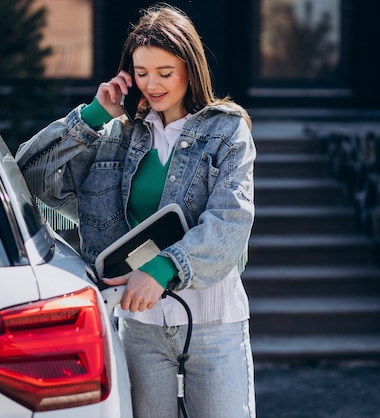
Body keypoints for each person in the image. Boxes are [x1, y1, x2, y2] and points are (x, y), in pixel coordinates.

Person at [15, 4, 256, 417]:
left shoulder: (226, 130)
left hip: (215, 325)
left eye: (165, 72)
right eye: (142, 72)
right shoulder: (115, 136)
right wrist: (94, 115)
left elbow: (230, 220)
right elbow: (28, 173)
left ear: (190, 69)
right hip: (139, 329)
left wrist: (163, 268)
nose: (153, 84)